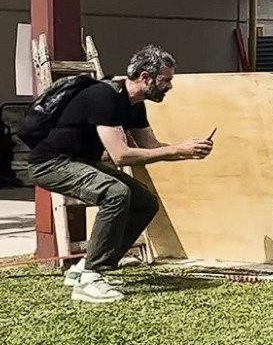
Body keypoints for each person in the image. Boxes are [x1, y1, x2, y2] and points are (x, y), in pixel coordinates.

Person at [26, 45, 213, 304]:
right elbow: (121, 155)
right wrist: (179, 149)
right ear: (146, 78)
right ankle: (91, 278)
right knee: (116, 193)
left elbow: (151, 147)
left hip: (80, 161)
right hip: (51, 163)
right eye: (166, 80)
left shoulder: (135, 104)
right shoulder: (105, 97)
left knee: (144, 203)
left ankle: (84, 267)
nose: (170, 86)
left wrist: (188, 151)